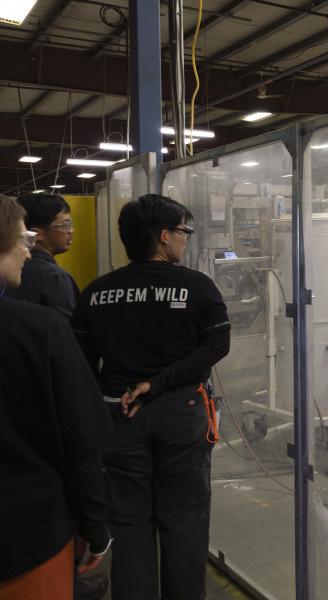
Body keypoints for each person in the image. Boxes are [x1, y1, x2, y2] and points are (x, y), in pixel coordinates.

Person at [72, 193, 231, 600]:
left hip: (120, 416)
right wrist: (159, 384)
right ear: (163, 237)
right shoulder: (198, 287)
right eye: (183, 232)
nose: (185, 240)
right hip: (181, 413)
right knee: (184, 523)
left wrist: (112, 402)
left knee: (128, 524)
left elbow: (83, 364)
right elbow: (215, 348)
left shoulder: (95, 293)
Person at [0, 196, 112, 599]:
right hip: (28, 533)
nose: (27, 251)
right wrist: (95, 524)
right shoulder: (39, 328)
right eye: (21, 239)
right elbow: (80, 434)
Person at [6, 193, 79, 318]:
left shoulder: (8, 271)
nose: (70, 231)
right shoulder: (54, 277)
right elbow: (65, 329)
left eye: (70, 225)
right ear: (36, 234)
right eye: (64, 225)